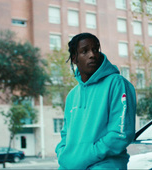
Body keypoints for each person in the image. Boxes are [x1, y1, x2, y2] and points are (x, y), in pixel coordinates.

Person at [55, 32, 136, 169]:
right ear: (74, 59)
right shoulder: (72, 95)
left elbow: (120, 134)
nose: (92, 54)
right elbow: (65, 134)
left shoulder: (117, 84)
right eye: (84, 51)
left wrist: (84, 156)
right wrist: (63, 154)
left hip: (105, 165)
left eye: (95, 49)